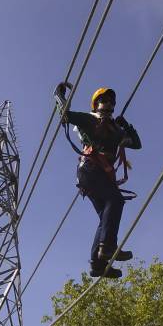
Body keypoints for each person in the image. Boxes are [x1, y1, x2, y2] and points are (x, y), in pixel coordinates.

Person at [56, 85, 142, 278]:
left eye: (111, 102)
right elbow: (66, 115)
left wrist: (125, 125)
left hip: (99, 175)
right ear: (96, 104)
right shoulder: (89, 120)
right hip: (90, 170)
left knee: (105, 217)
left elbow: (136, 144)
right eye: (104, 100)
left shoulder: (116, 130)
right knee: (116, 201)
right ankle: (108, 247)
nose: (109, 104)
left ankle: (98, 264)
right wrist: (59, 95)